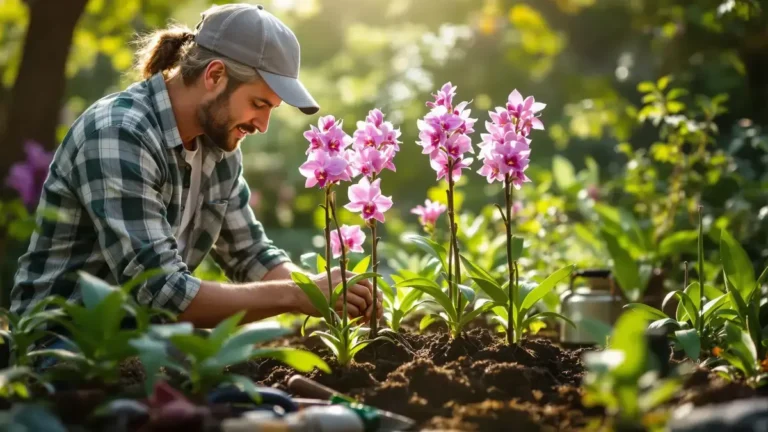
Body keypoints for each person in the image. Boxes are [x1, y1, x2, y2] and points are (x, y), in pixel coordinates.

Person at [10, 3, 381, 340]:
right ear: (215, 75)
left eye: (272, 108)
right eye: (258, 103)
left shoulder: (218, 146)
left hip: (143, 344)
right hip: (61, 350)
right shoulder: (120, 132)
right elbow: (164, 293)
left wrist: (328, 289)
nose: (263, 124)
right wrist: (300, 295)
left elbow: (251, 256)